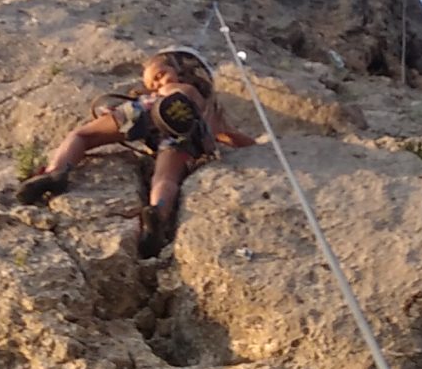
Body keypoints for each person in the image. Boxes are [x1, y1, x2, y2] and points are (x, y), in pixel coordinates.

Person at [19, 46, 258, 257]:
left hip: (150, 110)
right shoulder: (209, 111)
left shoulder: (165, 91)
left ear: (183, 70)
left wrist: (124, 106)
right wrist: (259, 149)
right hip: (192, 131)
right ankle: (158, 213)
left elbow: (141, 102)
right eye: (153, 83)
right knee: (165, 178)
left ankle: (56, 171)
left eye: (160, 75)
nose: (158, 83)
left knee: (82, 136)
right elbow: (230, 136)